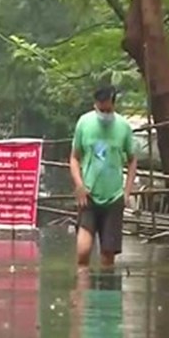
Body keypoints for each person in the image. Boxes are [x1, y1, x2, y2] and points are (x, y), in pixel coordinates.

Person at [70, 85, 138, 267]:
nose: (104, 113)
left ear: (114, 106)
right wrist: (79, 185)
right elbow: (75, 158)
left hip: (114, 196)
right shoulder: (84, 123)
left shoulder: (123, 127)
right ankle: (81, 291)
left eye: (108, 110)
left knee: (108, 255)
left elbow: (132, 160)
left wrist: (127, 191)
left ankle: (104, 292)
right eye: (101, 109)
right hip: (89, 195)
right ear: (95, 105)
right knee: (83, 250)